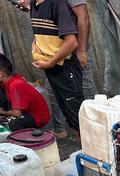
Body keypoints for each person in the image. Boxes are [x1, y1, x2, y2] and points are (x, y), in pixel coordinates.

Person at [15, 0, 96, 139]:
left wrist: (81, 50)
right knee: (59, 97)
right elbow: (43, 23)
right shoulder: (38, 4)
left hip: (69, 57)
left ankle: (94, 132)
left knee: (81, 98)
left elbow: (83, 17)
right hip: (55, 56)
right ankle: (63, 129)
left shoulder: (58, 4)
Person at [28, 0, 84, 137]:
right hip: (52, 69)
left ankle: (91, 155)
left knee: (78, 120)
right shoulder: (34, 4)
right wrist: (34, 44)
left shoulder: (57, 4)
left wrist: (50, 62)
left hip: (65, 69)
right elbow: (40, 34)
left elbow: (71, 42)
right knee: (70, 115)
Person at [0, 53, 50, 131]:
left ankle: (30, 138)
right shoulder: (8, 82)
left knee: (11, 124)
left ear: (1, 74)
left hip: (37, 117)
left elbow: (17, 113)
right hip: (24, 112)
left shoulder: (15, 85)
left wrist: (2, 113)